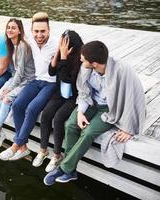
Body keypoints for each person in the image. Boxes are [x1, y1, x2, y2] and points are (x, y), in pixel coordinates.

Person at [43, 41, 146, 185]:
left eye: (83, 59)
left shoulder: (122, 70)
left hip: (110, 109)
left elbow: (134, 98)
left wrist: (129, 127)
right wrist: (80, 113)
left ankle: (65, 168)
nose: (80, 60)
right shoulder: (86, 68)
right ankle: (70, 170)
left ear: (95, 63)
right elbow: (84, 92)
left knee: (89, 132)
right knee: (71, 125)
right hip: (91, 103)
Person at [0, 12, 58, 161]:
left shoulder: (56, 44)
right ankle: (23, 147)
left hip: (51, 83)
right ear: (32, 31)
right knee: (17, 105)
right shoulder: (30, 42)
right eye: (36, 31)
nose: (39, 34)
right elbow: (14, 40)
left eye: (43, 31)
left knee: (31, 108)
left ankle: (16, 145)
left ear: (49, 30)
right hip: (36, 81)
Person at [0, 18, 35, 150]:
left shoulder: (23, 46)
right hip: (16, 78)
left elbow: (21, 73)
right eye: (8, 27)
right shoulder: (9, 44)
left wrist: (9, 88)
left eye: (13, 27)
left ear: (20, 30)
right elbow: (13, 72)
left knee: (6, 98)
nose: (10, 30)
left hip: (28, 80)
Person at [32, 30, 83, 172]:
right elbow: (51, 72)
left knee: (59, 118)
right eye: (60, 43)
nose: (61, 45)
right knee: (47, 113)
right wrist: (58, 53)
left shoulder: (80, 58)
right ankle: (43, 150)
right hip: (60, 92)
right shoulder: (61, 52)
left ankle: (56, 155)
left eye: (63, 43)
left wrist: (65, 58)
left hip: (74, 95)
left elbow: (69, 80)